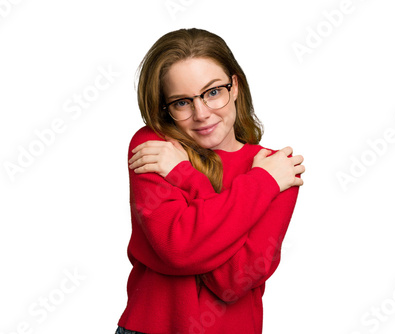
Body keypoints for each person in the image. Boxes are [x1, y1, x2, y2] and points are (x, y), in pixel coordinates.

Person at [115, 28, 305, 334]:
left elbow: (234, 279)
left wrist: (185, 176)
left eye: (213, 92)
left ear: (236, 87)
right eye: (181, 102)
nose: (202, 113)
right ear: (165, 108)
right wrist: (261, 186)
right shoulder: (154, 145)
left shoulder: (277, 168)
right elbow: (178, 249)